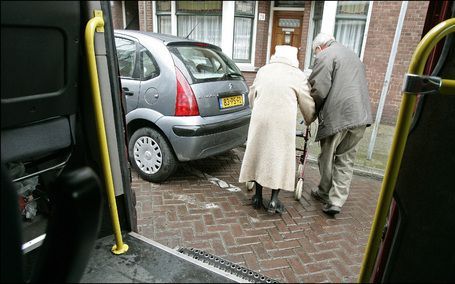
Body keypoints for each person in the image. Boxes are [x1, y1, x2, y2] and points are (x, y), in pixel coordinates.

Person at [239, 45, 315, 214]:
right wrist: (310, 118)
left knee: (260, 154)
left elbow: (252, 95)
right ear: (293, 57)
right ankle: (273, 200)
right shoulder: (297, 75)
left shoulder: (264, 71)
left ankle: (258, 197)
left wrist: (256, 109)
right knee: (278, 158)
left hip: (261, 120)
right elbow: (306, 102)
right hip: (282, 123)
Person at [308, 33, 373, 216]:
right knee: (345, 159)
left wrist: (311, 114)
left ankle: (323, 192)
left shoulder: (325, 55)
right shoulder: (352, 55)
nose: (315, 56)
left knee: (326, 158)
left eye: (315, 52)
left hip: (338, 116)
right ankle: (336, 201)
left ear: (320, 48)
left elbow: (318, 89)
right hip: (360, 116)